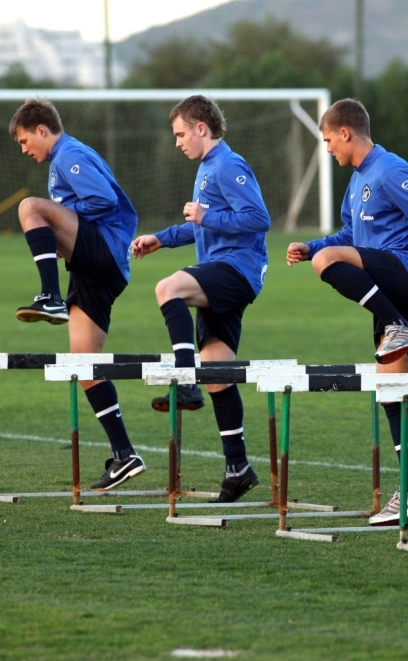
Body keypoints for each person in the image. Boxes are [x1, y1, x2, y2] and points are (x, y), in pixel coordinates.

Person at [286, 99, 408, 526]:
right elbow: (350, 235)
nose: (327, 149)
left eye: (327, 140)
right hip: (388, 284)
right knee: (390, 390)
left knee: (330, 264)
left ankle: (401, 326)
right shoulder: (358, 180)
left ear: (346, 133)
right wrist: (313, 248)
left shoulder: (391, 169)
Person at [131, 96, 270, 503]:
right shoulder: (208, 168)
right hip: (220, 268)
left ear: (201, 129)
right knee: (217, 373)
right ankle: (238, 468)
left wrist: (207, 217)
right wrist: (163, 238)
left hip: (237, 270)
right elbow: (202, 227)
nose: (177, 143)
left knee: (167, 288)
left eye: (180, 134)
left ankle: (184, 380)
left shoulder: (228, 165)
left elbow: (259, 219)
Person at [10, 98, 144, 491]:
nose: (23, 149)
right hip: (95, 272)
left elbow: (103, 199)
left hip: (102, 249)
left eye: (23, 140)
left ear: (41, 130)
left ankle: (49, 296)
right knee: (84, 364)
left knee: (31, 207)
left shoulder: (68, 155)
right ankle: (125, 456)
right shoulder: (63, 159)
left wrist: (62, 213)